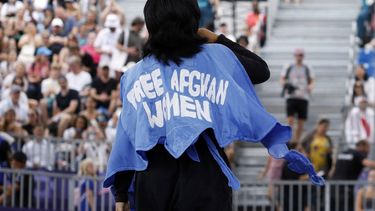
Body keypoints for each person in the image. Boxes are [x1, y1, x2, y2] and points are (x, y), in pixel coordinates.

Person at [104, 1, 324, 211]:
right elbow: (260, 70)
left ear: (150, 24)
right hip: (204, 172)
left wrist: (121, 193)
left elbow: (129, 134)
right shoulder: (215, 56)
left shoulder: (135, 74)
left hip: (153, 176)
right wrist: (217, 39)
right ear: (192, 21)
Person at [280, 48, 315, 143]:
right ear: (294, 56)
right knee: (290, 119)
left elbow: (312, 80)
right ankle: (289, 139)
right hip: (291, 96)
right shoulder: (289, 66)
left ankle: (297, 140)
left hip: (303, 96)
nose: (299, 57)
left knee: (301, 122)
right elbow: (282, 78)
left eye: (301, 55)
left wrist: (310, 87)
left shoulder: (307, 68)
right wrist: (285, 85)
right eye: (298, 55)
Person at [330, 140, 375, 211]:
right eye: (367, 149)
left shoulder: (343, 153)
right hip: (346, 190)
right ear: (362, 147)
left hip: (333, 188)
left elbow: (332, 171)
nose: (368, 152)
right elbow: (368, 163)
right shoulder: (357, 154)